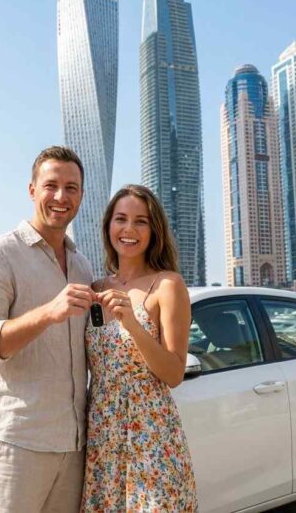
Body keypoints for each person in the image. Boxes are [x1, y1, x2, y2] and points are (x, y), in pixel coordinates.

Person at [0, 146, 96, 513]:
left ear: (82, 196)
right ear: (32, 190)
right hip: (17, 443)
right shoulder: (0, 254)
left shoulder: (83, 267)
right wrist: (48, 313)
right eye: (51, 185)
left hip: (73, 446)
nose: (60, 196)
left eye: (71, 188)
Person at [81, 184, 197, 512]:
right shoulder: (95, 289)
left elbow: (174, 373)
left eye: (141, 221)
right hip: (102, 432)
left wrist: (132, 323)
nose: (129, 229)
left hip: (152, 432)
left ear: (153, 229)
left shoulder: (168, 285)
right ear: (108, 227)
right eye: (121, 219)